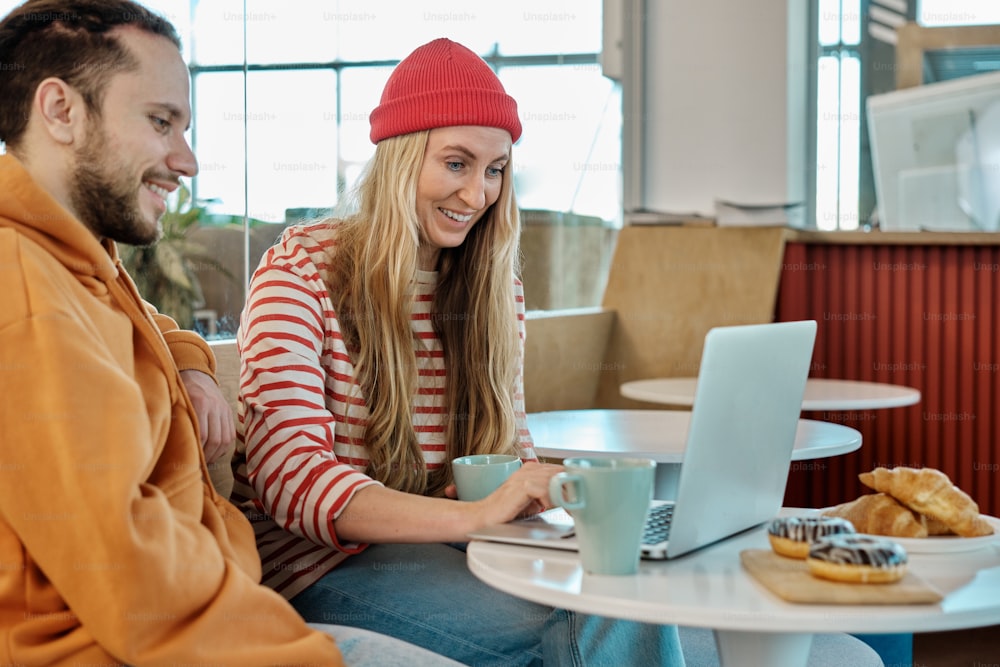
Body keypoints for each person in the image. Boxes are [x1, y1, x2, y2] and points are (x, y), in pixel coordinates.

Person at [0, 2, 462, 665]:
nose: (186, 160)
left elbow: (144, 322)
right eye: (161, 122)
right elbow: (133, 580)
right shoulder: (22, 284)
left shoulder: (78, 259)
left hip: (214, 612)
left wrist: (187, 362)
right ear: (60, 110)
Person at [232, 37, 686, 666]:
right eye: (456, 164)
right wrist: (478, 520)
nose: (478, 196)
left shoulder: (497, 288)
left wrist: (547, 500)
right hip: (318, 567)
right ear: (399, 160)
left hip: (452, 544)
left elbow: (512, 448)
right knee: (570, 628)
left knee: (623, 587)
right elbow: (293, 483)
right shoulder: (301, 271)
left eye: (495, 169)